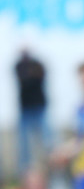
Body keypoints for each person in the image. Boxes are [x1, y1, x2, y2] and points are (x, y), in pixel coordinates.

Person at [14, 48, 50, 176]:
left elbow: (38, 78)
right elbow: (26, 80)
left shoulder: (38, 64)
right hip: (25, 108)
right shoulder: (18, 65)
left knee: (46, 141)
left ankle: (50, 168)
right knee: (24, 146)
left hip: (39, 107)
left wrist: (31, 77)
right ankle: (23, 174)